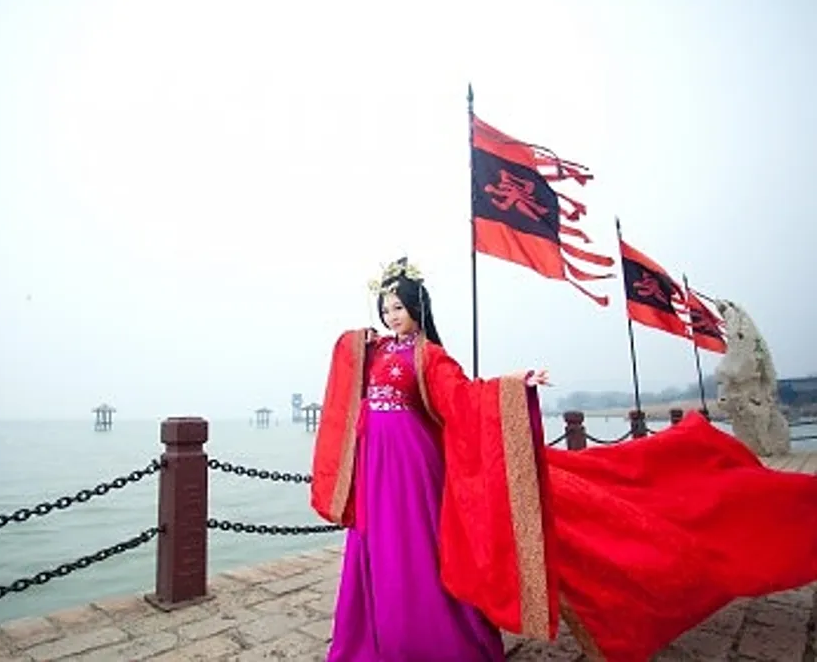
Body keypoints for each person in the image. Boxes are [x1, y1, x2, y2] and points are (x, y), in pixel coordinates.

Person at [310, 257, 817, 662]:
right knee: (377, 544)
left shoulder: (430, 357)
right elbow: (345, 374)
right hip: (375, 464)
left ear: (418, 308)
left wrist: (514, 384)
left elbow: (461, 398)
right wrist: (357, 344)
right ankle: (374, 639)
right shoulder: (375, 351)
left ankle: (432, 641)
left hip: (413, 467)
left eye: (399, 307)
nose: (391, 316)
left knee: (416, 547)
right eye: (386, 309)